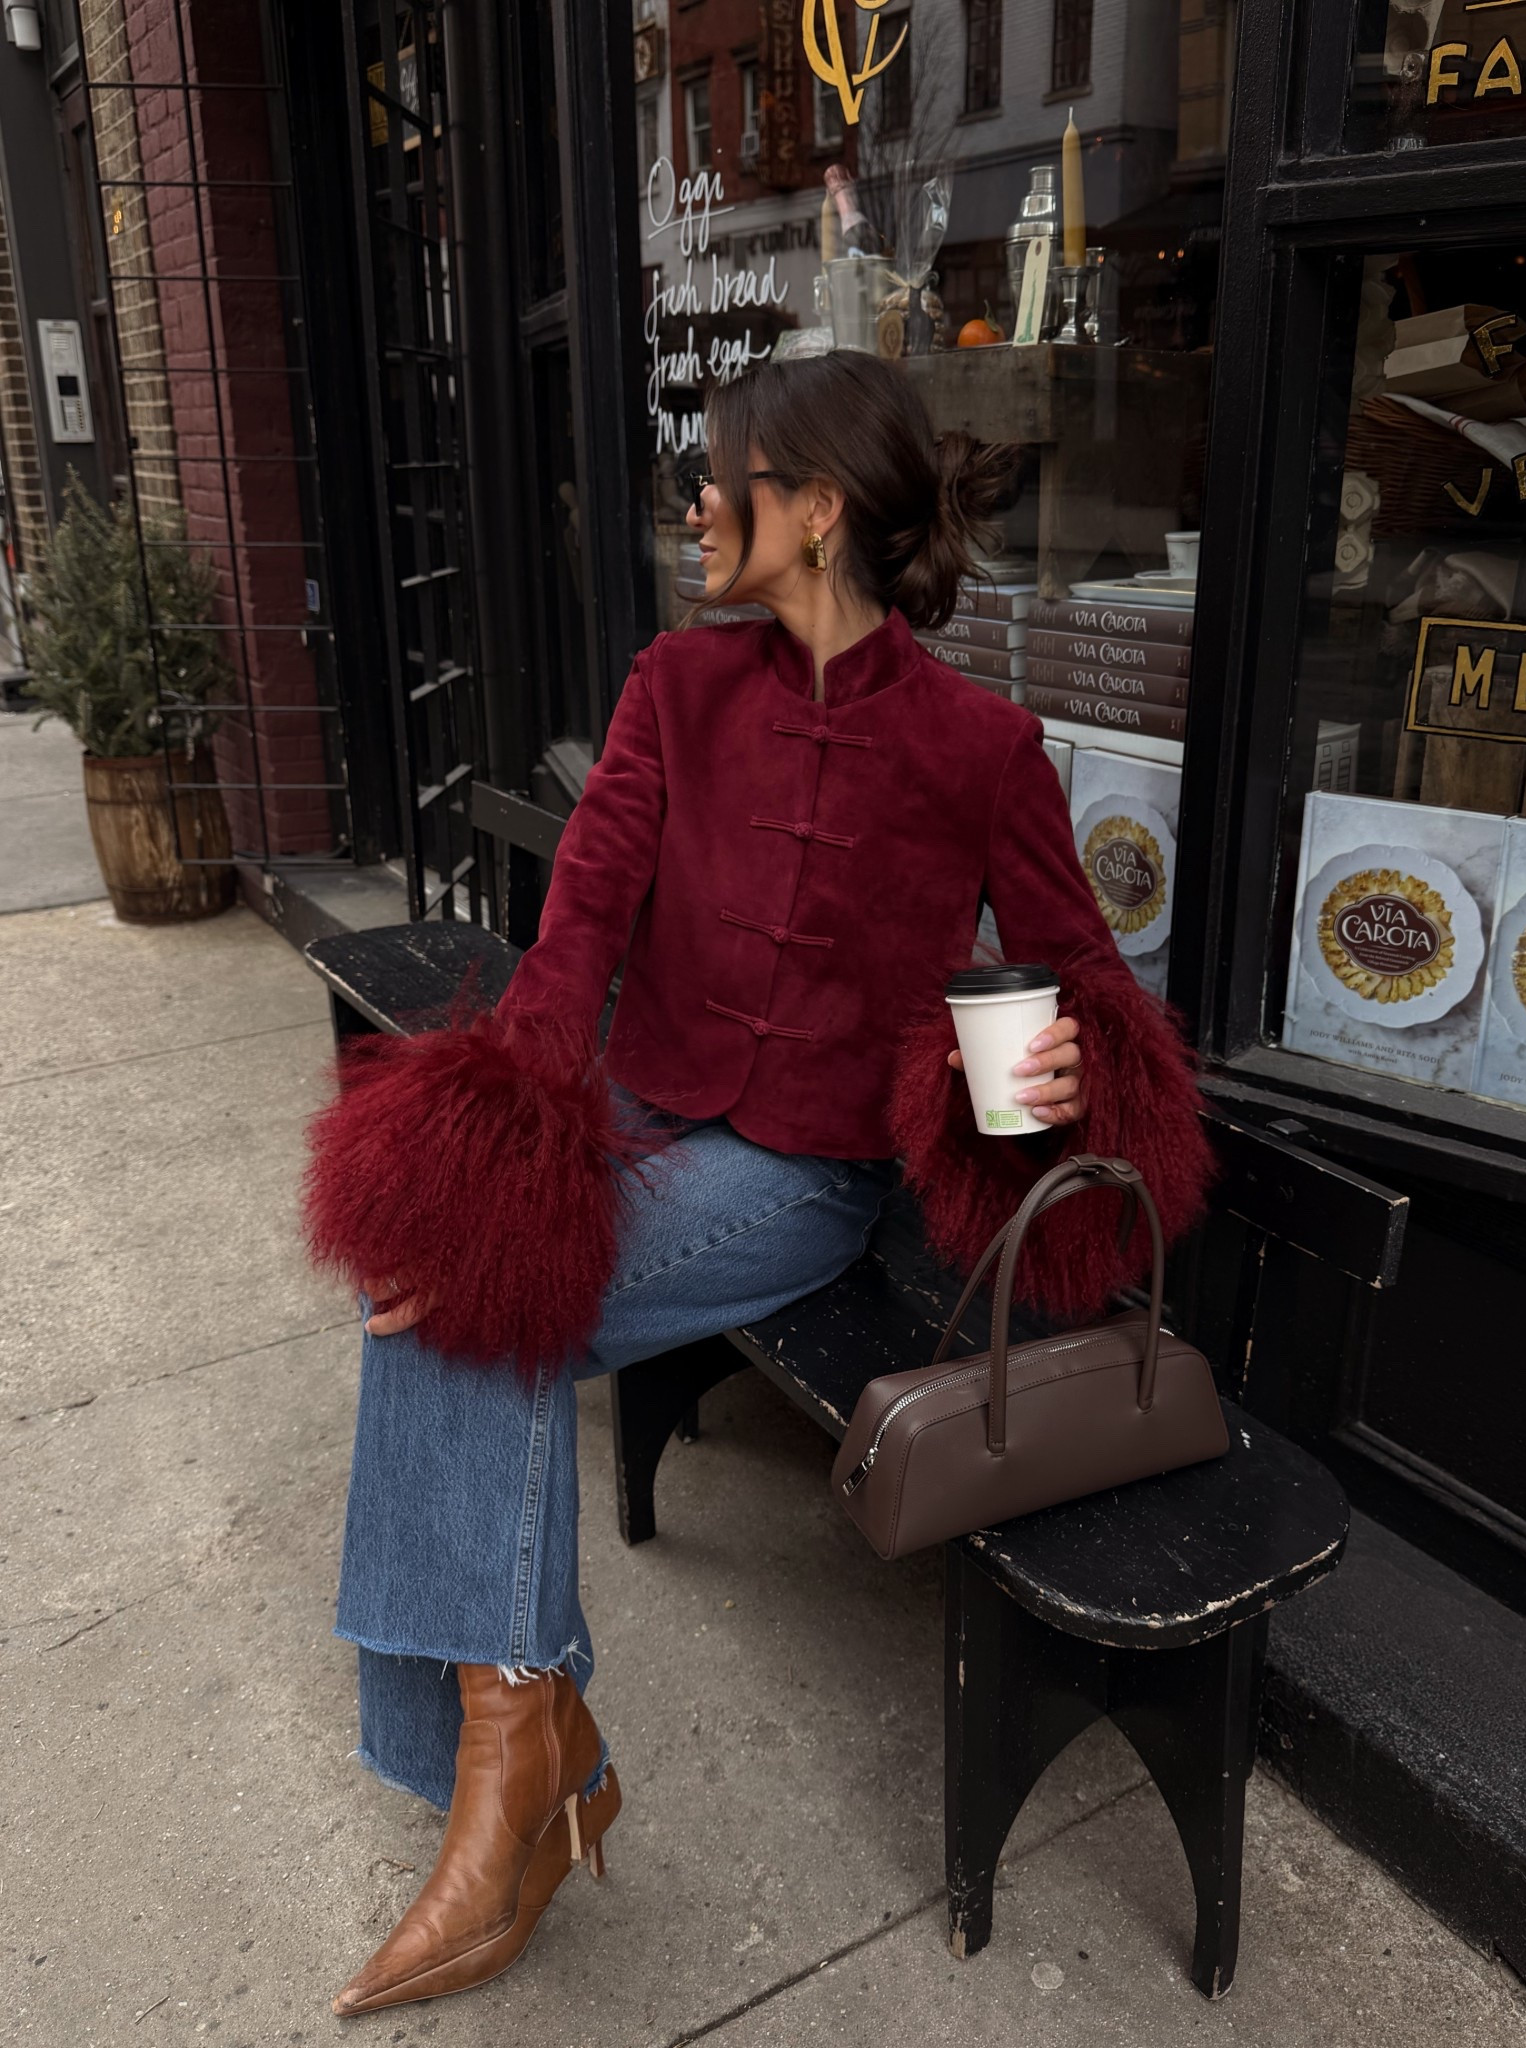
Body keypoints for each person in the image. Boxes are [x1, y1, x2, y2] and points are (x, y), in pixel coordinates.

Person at [304, 351, 1212, 2016]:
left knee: (470, 1319)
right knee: (440, 1289)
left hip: (803, 1182)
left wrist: (1062, 1068)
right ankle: (526, 1734)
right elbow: (570, 944)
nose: (700, 503)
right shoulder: (677, 687)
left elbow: (1083, 980)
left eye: (727, 480)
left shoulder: (983, 745)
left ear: (817, 511)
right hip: (651, 1124)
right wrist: (479, 1173)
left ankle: (514, 1778)